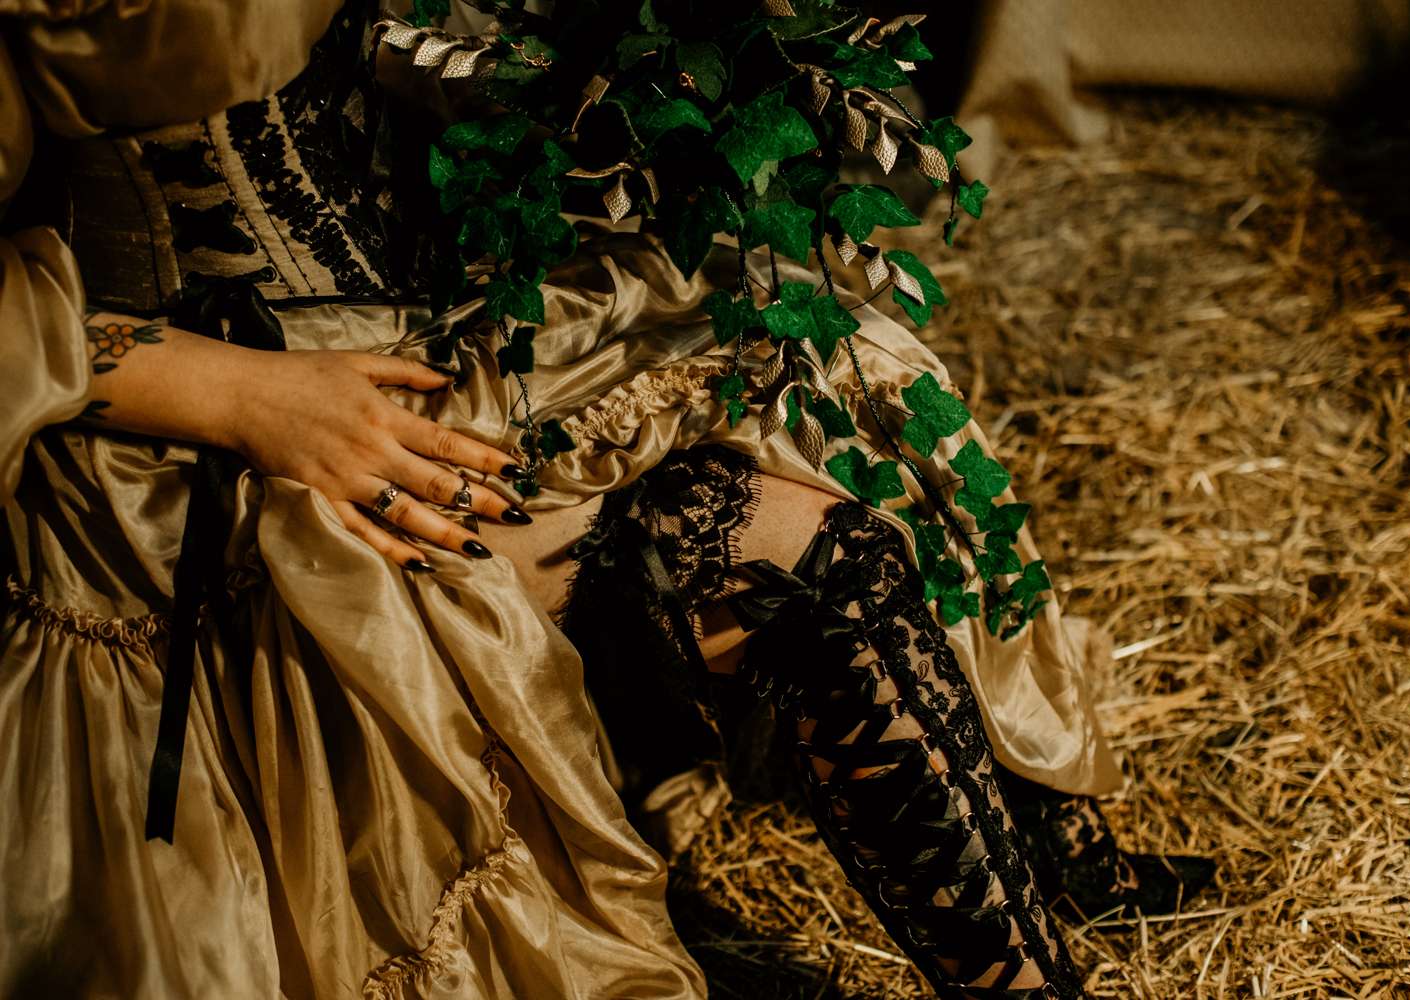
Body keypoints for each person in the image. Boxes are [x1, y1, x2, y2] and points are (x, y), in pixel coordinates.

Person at [0, 2, 1209, 997]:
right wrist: (243, 397)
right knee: (799, 560)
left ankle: (1046, 853)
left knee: (842, 416)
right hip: (214, 435)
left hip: (451, 312)